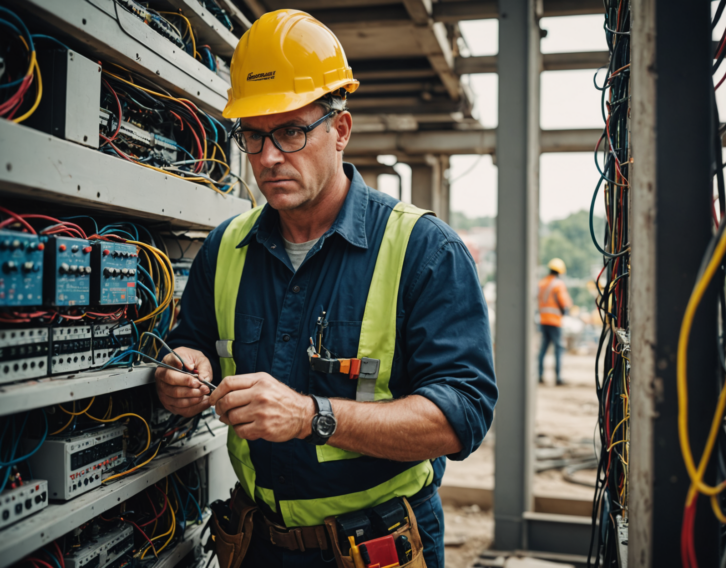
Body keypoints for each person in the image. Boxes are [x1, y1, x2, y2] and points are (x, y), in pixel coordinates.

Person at [153, 10, 497, 568]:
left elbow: (462, 415)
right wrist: (186, 371)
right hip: (257, 543)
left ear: (340, 130)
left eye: (290, 131)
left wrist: (313, 416)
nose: (267, 157)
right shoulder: (225, 247)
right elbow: (192, 340)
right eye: (254, 135)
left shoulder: (423, 249)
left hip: (376, 546)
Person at [538, 258, 573, 385]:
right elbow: (564, 303)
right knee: (558, 348)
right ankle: (558, 377)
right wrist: (566, 312)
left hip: (543, 320)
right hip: (555, 321)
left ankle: (539, 375)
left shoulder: (542, 283)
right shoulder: (558, 284)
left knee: (543, 349)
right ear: (560, 271)